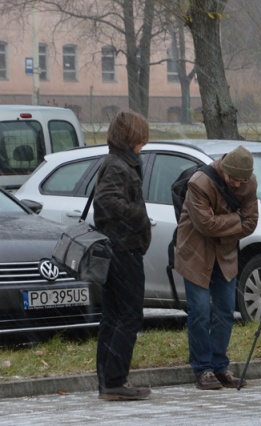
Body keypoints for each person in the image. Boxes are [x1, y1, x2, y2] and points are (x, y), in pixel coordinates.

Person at [175, 145, 259, 390]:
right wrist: (236, 219)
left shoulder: (248, 184)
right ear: (225, 171)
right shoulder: (199, 183)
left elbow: (251, 222)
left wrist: (225, 222)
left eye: (242, 181)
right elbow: (205, 225)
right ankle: (203, 369)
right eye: (234, 180)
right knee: (200, 312)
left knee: (225, 312)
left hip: (225, 255)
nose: (237, 185)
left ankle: (220, 365)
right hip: (195, 254)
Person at [94, 110, 152, 400]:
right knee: (128, 316)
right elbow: (105, 200)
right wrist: (137, 215)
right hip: (122, 249)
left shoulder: (116, 160)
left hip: (118, 247)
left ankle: (108, 381)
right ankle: (115, 381)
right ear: (130, 136)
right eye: (141, 136)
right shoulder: (118, 165)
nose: (144, 142)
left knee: (113, 316)